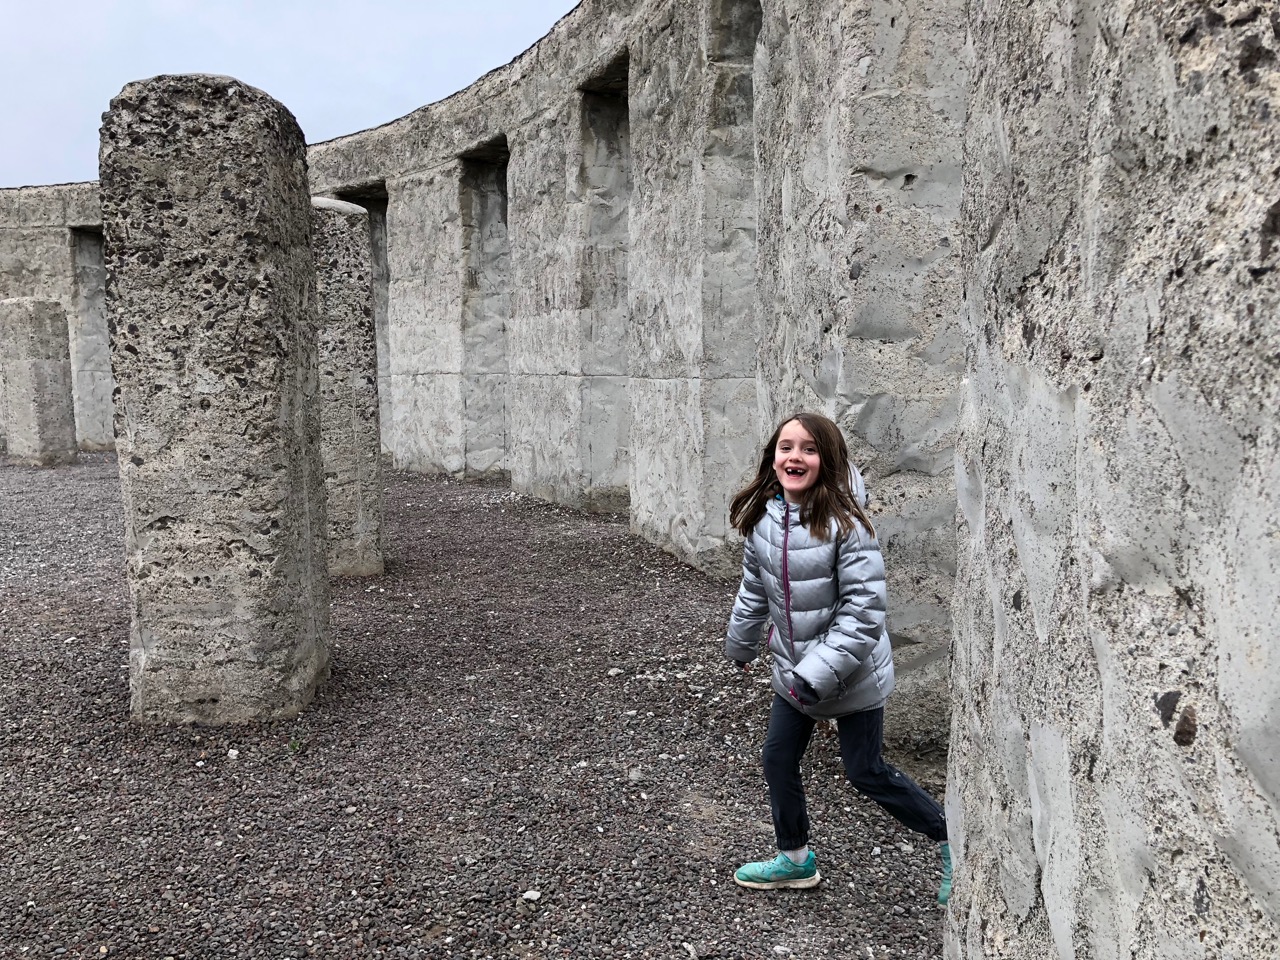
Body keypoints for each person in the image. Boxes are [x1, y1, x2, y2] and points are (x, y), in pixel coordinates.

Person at [723, 411, 952, 904]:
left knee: (864, 771)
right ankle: (795, 860)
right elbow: (753, 588)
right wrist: (741, 642)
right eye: (786, 447)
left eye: (808, 448)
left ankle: (952, 837)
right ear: (773, 457)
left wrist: (816, 672)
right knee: (778, 760)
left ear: (826, 459)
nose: (795, 457)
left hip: (852, 676)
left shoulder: (847, 525)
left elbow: (864, 613)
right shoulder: (765, 517)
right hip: (793, 670)